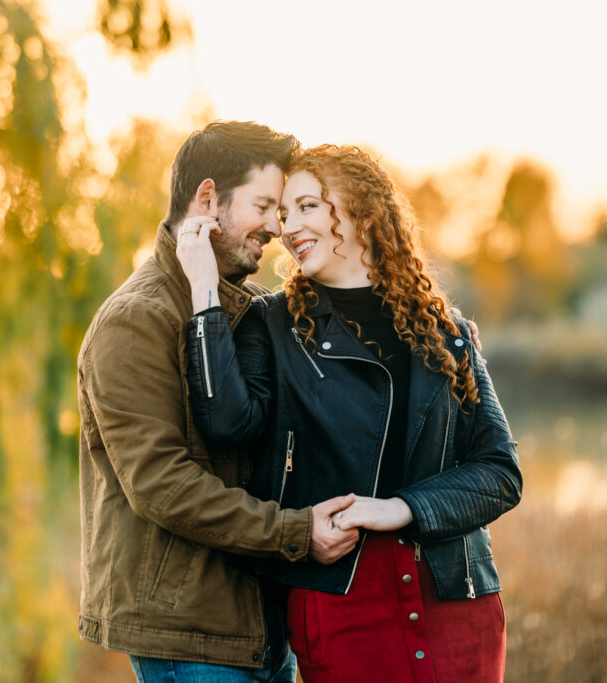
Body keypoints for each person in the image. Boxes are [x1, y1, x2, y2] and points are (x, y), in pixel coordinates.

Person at [176, 144, 523, 682]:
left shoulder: (445, 329)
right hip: (340, 601)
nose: (289, 228)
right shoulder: (271, 324)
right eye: (285, 214)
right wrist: (203, 291)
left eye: (309, 206)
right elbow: (227, 423)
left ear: (362, 211)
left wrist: (401, 508)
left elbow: (500, 471)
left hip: (458, 595)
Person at [77, 122, 362, 683]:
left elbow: (344, 369)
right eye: (264, 205)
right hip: (191, 635)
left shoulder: (254, 308)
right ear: (208, 199)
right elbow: (162, 483)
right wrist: (295, 532)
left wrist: (435, 338)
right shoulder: (138, 319)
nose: (278, 229)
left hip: (262, 627)